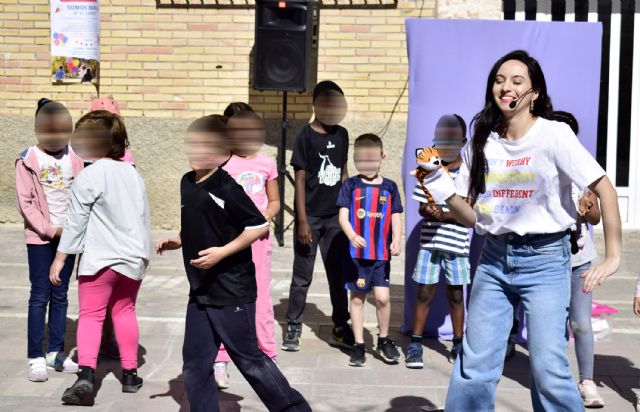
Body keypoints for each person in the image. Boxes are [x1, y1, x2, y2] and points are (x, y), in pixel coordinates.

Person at [417, 50, 621, 411]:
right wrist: (444, 189)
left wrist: (613, 255)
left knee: (547, 368)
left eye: (516, 80)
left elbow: (603, 187)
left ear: (535, 92)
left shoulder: (554, 134)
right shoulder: (482, 140)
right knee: (474, 366)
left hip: (546, 260)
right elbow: (473, 217)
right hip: (494, 258)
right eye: (498, 80)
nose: (505, 87)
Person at [156, 115, 310, 412]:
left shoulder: (227, 188)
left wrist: (222, 252)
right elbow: (200, 224)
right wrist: (179, 239)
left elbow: (257, 227)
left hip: (231, 291)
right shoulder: (187, 183)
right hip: (201, 291)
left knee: (250, 361)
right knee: (195, 365)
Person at [50, 110, 151, 406]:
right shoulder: (133, 174)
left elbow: (75, 222)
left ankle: (85, 375)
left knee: (92, 315)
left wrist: (60, 258)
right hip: (132, 258)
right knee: (125, 311)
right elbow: (143, 217)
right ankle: (130, 374)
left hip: (100, 259)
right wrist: (142, 257)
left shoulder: (89, 175)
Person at [283, 80, 355, 352]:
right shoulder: (305, 136)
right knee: (302, 276)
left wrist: (348, 208)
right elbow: (299, 180)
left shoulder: (343, 134)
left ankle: (340, 325)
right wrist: (302, 220)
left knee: (338, 275)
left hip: (335, 218)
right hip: (310, 218)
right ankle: (293, 325)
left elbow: (344, 171)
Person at [212, 106, 281, 389]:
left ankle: (268, 355)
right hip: (230, 244)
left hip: (259, 245)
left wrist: (262, 217)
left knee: (262, 301)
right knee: (226, 300)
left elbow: (274, 202)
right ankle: (220, 359)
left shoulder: (266, 164)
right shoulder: (222, 165)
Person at [15, 99, 82, 382]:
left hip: (69, 239)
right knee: (39, 295)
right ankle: (36, 356)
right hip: (40, 240)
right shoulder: (27, 160)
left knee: (61, 294)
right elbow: (25, 204)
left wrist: (74, 231)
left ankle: (56, 352)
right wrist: (50, 230)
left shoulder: (75, 158)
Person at [405, 114, 470, 369]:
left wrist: (442, 214)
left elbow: (468, 212)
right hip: (430, 243)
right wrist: (428, 212)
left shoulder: (468, 173)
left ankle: (458, 343)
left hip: (457, 246)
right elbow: (422, 207)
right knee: (424, 292)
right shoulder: (427, 170)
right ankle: (415, 343)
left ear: (463, 141)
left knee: (456, 294)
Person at [336, 133, 403, 366]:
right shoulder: (350, 186)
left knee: (383, 298)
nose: (366, 164)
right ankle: (359, 345)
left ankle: (384, 340)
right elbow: (343, 216)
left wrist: (397, 239)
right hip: (357, 257)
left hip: (380, 255)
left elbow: (395, 215)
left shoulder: (390, 187)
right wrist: (352, 235)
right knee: (357, 299)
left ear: (382, 157)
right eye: (361, 160)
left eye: (371, 159)